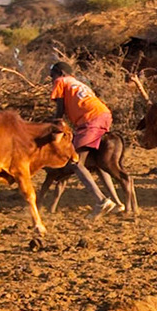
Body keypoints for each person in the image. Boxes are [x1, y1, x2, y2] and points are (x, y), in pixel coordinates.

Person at [47, 60, 121, 213]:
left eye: (52, 76)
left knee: (75, 161)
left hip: (90, 120)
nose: (51, 80)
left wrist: (53, 128)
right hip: (104, 115)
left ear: (60, 73)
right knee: (98, 164)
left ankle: (101, 200)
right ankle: (117, 202)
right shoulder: (78, 83)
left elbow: (59, 110)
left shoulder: (61, 81)